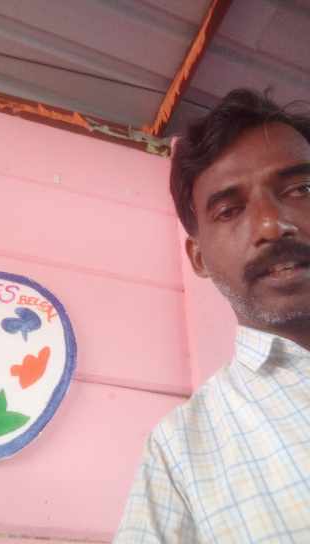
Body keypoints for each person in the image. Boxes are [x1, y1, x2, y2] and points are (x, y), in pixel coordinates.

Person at [113, 89, 310, 543]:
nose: (271, 225)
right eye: (229, 210)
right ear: (198, 258)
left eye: (302, 189)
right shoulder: (179, 452)